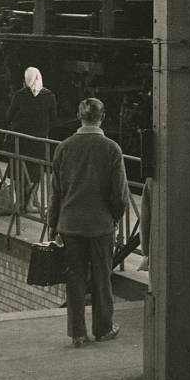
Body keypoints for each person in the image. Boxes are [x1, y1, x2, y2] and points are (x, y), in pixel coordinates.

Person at [49, 98, 129, 348]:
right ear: (102, 117)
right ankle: (103, 328)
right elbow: (120, 194)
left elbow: (56, 192)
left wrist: (54, 225)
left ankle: (77, 333)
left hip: (70, 224)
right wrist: (114, 216)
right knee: (102, 277)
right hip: (100, 225)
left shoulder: (64, 147)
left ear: (78, 116)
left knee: (74, 279)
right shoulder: (111, 149)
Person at [5, 67, 58, 212]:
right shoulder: (49, 95)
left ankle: (19, 203)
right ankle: (30, 203)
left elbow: (9, 116)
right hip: (39, 140)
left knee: (17, 169)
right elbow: (54, 118)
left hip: (20, 139)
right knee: (35, 171)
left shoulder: (19, 95)